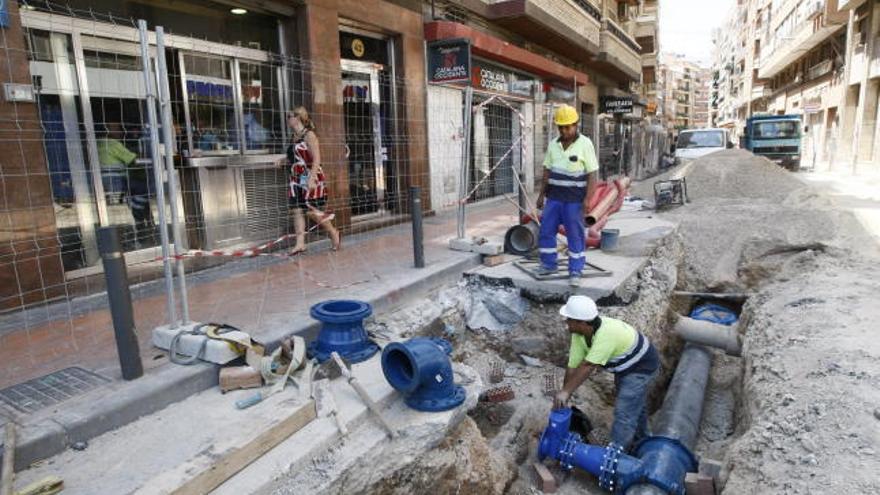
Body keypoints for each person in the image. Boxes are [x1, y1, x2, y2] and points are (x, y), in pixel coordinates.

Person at [553, 295, 660, 452]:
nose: (566, 322)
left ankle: (614, 458)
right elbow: (573, 366)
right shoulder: (579, 334)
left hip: (641, 366)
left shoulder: (606, 334)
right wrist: (565, 394)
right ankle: (644, 441)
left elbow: (588, 366)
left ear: (581, 322)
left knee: (624, 413)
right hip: (624, 367)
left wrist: (566, 391)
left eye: (569, 319)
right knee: (635, 406)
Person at [535, 105, 599, 287]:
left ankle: (575, 270)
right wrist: (541, 196)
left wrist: (588, 199)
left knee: (575, 235)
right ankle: (548, 265)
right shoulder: (553, 145)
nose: (564, 131)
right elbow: (547, 170)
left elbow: (592, 174)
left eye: (568, 127)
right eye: (561, 127)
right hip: (553, 198)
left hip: (574, 201)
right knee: (546, 231)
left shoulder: (585, 144)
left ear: (576, 125)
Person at [279, 106, 340, 254]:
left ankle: (333, 232)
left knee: (312, 210)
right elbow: (294, 156)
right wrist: (282, 160)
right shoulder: (294, 136)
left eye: (289, 116)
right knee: (297, 210)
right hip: (296, 178)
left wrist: (311, 179)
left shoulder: (309, 135)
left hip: (310, 176)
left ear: (298, 117)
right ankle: (300, 244)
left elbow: (317, 158)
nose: (287, 119)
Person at [97, 122, 154, 246]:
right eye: (117, 128)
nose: (121, 131)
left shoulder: (95, 143)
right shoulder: (112, 144)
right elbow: (132, 159)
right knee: (144, 188)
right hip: (117, 183)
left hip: (103, 186)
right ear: (107, 130)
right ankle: (137, 213)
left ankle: (136, 208)